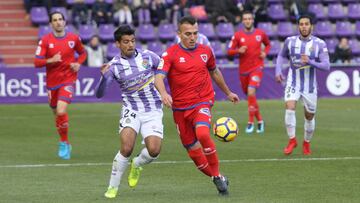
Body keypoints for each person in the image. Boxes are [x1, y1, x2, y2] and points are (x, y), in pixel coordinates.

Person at [155, 16, 239, 196]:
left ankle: (216, 175)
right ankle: (218, 178)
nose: (192, 38)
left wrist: (228, 92)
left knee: (202, 133)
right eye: (188, 34)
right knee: (194, 153)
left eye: (195, 33)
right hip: (179, 109)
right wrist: (163, 93)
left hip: (202, 101)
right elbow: (159, 77)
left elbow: (214, 71)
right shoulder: (170, 54)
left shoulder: (206, 51)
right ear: (179, 34)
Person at [95, 25, 164, 199]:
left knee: (154, 150)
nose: (130, 45)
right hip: (131, 109)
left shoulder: (150, 56)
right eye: (126, 42)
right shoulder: (114, 66)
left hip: (153, 109)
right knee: (126, 147)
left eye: (132, 41)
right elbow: (99, 94)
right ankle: (112, 187)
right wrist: (103, 78)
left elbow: (164, 71)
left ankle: (137, 164)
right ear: (117, 44)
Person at [34, 11, 87, 160]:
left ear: (64, 22)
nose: (58, 22)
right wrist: (50, 60)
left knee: (61, 109)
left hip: (68, 79)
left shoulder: (74, 38)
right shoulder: (45, 40)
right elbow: (37, 62)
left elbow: (83, 53)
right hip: (52, 83)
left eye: (60, 19)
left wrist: (78, 63)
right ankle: (64, 140)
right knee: (56, 113)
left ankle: (64, 143)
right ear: (51, 24)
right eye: (55, 20)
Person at [275, 14, 330, 155]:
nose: (304, 26)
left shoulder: (319, 44)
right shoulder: (290, 41)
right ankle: (292, 140)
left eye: (306, 24)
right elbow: (281, 55)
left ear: (311, 26)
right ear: (298, 26)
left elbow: (326, 66)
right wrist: (278, 70)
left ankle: (306, 142)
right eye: (301, 24)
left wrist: (310, 61)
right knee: (289, 106)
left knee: (309, 116)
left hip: (310, 87)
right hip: (293, 82)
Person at [227, 10, 270, 134]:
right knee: (250, 96)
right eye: (245, 19)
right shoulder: (237, 35)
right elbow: (229, 51)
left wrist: (265, 53)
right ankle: (260, 121)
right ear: (242, 21)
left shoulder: (260, 33)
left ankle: (250, 123)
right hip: (243, 71)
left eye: (249, 19)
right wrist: (238, 51)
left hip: (257, 67)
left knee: (251, 91)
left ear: (253, 20)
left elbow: (268, 45)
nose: (247, 21)